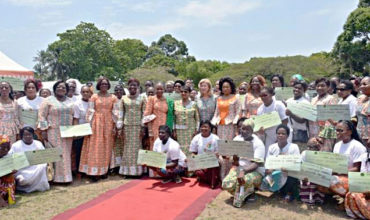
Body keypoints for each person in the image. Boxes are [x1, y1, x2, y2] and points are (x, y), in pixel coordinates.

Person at [79, 77, 119, 180]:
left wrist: (116, 125)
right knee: (95, 146)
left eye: (106, 84)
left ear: (109, 85)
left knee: (107, 146)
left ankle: (104, 170)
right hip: (96, 123)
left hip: (109, 123)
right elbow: (90, 110)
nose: (104, 86)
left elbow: (115, 112)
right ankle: (94, 171)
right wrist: (89, 124)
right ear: (98, 85)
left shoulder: (113, 97)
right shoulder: (94, 97)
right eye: (102, 84)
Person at [222, 119, 265, 207]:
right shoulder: (237, 139)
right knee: (226, 184)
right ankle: (244, 194)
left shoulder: (258, 143)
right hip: (239, 168)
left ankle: (249, 193)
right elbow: (235, 161)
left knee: (244, 181)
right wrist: (234, 159)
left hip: (255, 171)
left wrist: (244, 171)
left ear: (252, 131)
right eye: (242, 128)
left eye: (247, 129)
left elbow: (256, 164)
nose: (243, 131)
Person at [325, 121, 366, 209]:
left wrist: (339, 172)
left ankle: (346, 202)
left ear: (350, 132)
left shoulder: (357, 146)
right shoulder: (337, 145)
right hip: (338, 175)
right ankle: (330, 199)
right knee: (319, 179)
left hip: (352, 179)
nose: (337, 133)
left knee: (332, 181)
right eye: (336, 130)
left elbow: (357, 169)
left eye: (341, 130)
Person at [38, 80, 74, 183]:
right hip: (53, 131)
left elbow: (73, 115)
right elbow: (42, 116)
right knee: (56, 154)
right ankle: (55, 178)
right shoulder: (48, 100)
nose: (61, 89)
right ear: (54, 89)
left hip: (68, 132)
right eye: (58, 87)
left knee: (66, 154)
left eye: (63, 87)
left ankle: (66, 177)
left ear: (66, 90)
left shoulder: (70, 101)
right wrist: (44, 130)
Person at [211, 77, 240, 180]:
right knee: (221, 149)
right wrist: (213, 125)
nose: (225, 89)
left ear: (231, 87)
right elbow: (216, 113)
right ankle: (221, 175)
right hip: (220, 126)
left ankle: (228, 175)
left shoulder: (236, 98)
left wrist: (235, 124)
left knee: (229, 150)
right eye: (223, 87)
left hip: (230, 126)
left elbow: (238, 112)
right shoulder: (219, 98)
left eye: (227, 87)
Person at [118, 78, 146, 177]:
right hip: (127, 126)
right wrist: (120, 128)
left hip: (138, 127)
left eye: (135, 85)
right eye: (131, 85)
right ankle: (127, 171)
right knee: (127, 148)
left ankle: (137, 171)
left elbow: (144, 113)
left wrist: (143, 127)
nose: (133, 87)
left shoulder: (142, 98)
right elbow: (121, 113)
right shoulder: (123, 98)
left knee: (137, 147)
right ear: (128, 87)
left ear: (138, 87)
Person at [8, 127, 49, 193]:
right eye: (25, 135)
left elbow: (43, 156)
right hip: (22, 169)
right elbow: (10, 158)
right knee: (23, 180)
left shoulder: (38, 143)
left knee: (43, 165)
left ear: (33, 135)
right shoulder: (16, 145)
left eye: (30, 134)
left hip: (36, 167)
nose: (28, 136)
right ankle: (22, 189)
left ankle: (40, 187)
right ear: (21, 136)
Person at [265, 124, 300, 202]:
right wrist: (269, 170)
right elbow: (268, 165)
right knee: (267, 178)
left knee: (291, 176)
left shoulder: (294, 147)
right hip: (275, 173)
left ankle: (286, 192)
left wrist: (287, 167)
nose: (280, 135)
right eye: (278, 133)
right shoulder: (272, 147)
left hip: (288, 174)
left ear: (287, 136)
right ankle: (276, 190)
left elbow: (296, 165)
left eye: (283, 134)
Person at [308, 78, 338, 152]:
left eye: (322, 86)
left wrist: (322, 137)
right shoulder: (313, 99)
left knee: (324, 156)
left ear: (328, 87)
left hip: (325, 135)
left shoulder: (331, 99)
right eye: (318, 86)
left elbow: (332, 120)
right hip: (313, 132)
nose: (320, 88)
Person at [257, 87, 289, 153]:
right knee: (269, 155)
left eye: (265, 95)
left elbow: (285, 121)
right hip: (270, 136)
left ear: (271, 94)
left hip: (283, 134)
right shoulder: (260, 109)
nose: (263, 97)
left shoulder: (279, 105)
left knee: (283, 154)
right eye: (261, 96)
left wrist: (280, 137)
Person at [344, 138, 369, 219]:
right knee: (351, 194)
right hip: (367, 188)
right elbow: (364, 176)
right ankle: (361, 215)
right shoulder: (365, 156)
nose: (368, 140)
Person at [190, 121, 220, 189]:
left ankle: (212, 183)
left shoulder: (215, 138)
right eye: (202, 127)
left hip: (212, 161)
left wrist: (208, 161)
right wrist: (191, 159)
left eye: (206, 127)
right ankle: (203, 178)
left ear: (210, 128)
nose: (203, 128)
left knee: (212, 169)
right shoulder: (196, 138)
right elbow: (193, 152)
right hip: (200, 161)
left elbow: (218, 153)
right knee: (195, 167)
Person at [144, 82, 174, 150]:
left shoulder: (167, 100)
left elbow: (169, 114)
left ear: (164, 90)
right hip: (154, 126)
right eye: (157, 89)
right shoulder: (151, 99)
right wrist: (150, 130)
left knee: (165, 144)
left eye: (161, 89)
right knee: (155, 144)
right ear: (155, 89)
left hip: (165, 125)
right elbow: (147, 115)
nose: (159, 91)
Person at [72, 86, 92, 176]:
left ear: (90, 93)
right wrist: (76, 132)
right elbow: (75, 119)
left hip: (92, 131)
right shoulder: (77, 104)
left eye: (87, 92)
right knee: (79, 151)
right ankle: (80, 171)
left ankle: (88, 170)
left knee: (89, 151)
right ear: (80, 93)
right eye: (83, 92)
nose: (85, 93)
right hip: (81, 130)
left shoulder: (93, 102)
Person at [299, 137, 326, 205]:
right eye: (308, 146)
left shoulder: (323, 155)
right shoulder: (304, 153)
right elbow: (300, 164)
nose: (308, 149)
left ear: (318, 148)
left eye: (311, 147)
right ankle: (307, 198)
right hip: (306, 174)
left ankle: (318, 199)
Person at [174, 86, 199, 156]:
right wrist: (174, 130)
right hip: (179, 132)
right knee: (180, 149)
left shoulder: (194, 104)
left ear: (189, 93)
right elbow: (174, 118)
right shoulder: (176, 103)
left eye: (185, 92)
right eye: (181, 92)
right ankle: (182, 165)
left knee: (191, 148)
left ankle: (190, 166)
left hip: (190, 131)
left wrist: (196, 130)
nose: (183, 93)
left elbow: (197, 119)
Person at [285, 81, 310, 151]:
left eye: (300, 88)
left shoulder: (306, 103)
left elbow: (303, 120)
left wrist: (291, 114)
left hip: (300, 133)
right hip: (289, 132)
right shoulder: (289, 100)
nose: (297, 90)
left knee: (299, 154)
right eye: (295, 87)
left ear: (304, 91)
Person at [111, 84, 125, 170]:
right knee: (115, 147)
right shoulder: (112, 100)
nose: (118, 92)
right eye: (116, 90)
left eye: (120, 90)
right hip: (113, 126)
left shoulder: (125, 100)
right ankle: (116, 166)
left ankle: (123, 166)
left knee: (123, 146)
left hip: (124, 126)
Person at [0, 135, 15, 207]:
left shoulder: (8, 156)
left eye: (7, 147)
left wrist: (12, 172)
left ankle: (7, 197)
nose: (6, 150)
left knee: (10, 178)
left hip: (3, 184)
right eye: (2, 148)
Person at [356, 76, 369, 143]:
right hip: (359, 134)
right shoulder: (360, 98)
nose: (361, 86)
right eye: (361, 84)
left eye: (364, 84)